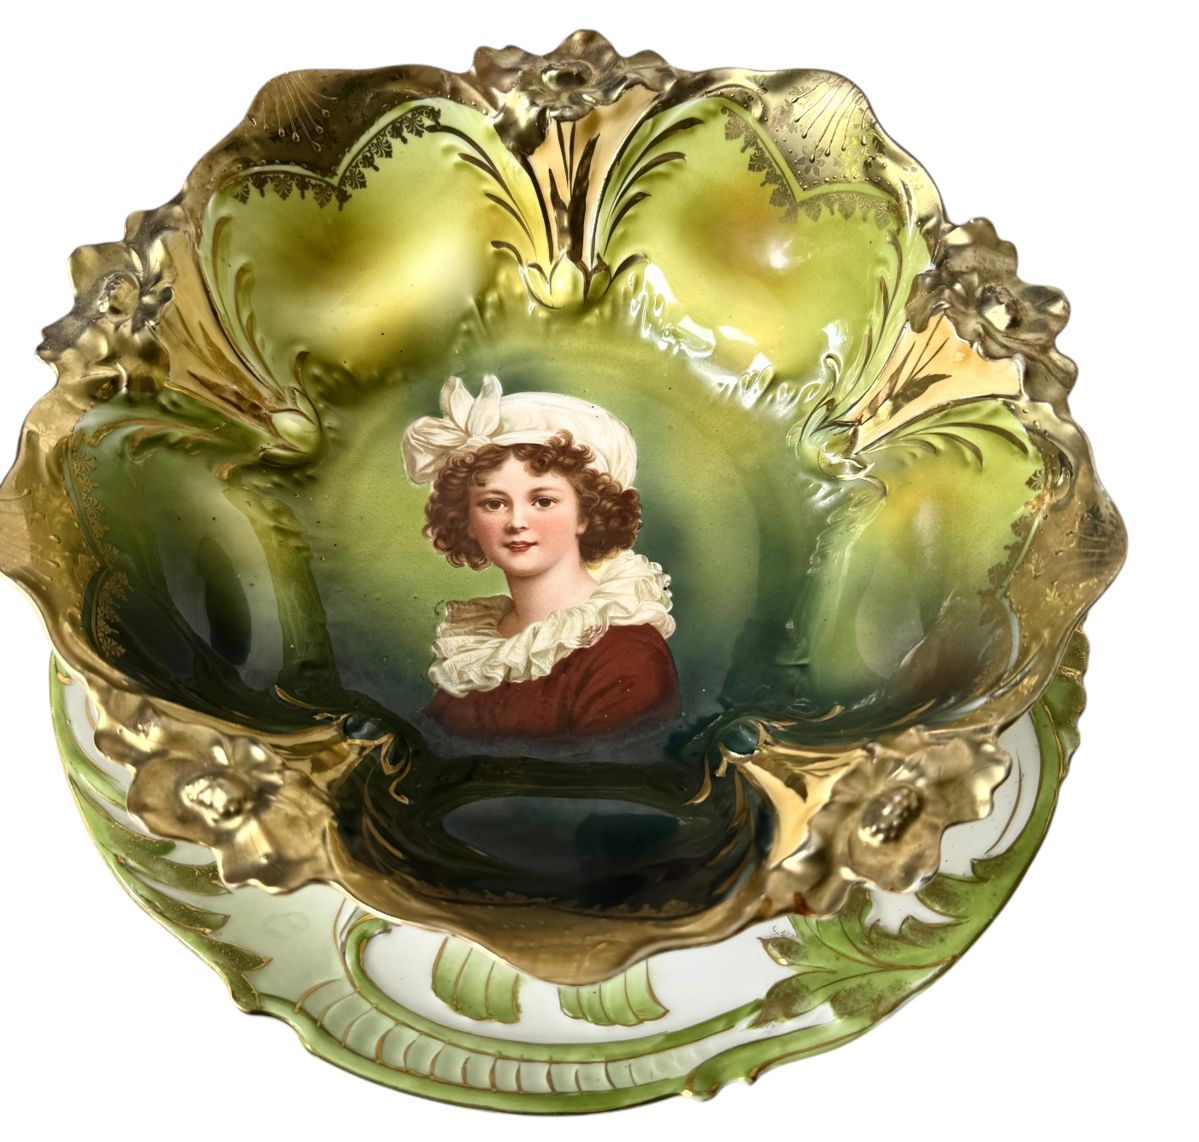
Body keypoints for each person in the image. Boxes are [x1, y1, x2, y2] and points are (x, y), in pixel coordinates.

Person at [402, 375, 680, 742]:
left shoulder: (626, 654)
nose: (516, 522)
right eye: (494, 503)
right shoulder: (474, 652)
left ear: (586, 514)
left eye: (543, 501)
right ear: (467, 520)